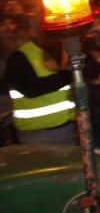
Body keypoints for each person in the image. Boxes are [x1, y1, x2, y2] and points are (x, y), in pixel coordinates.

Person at [6, 15, 77, 146]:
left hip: (65, 126)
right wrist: (67, 76)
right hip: (37, 133)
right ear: (31, 31)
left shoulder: (56, 51)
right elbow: (31, 89)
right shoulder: (19, 57)